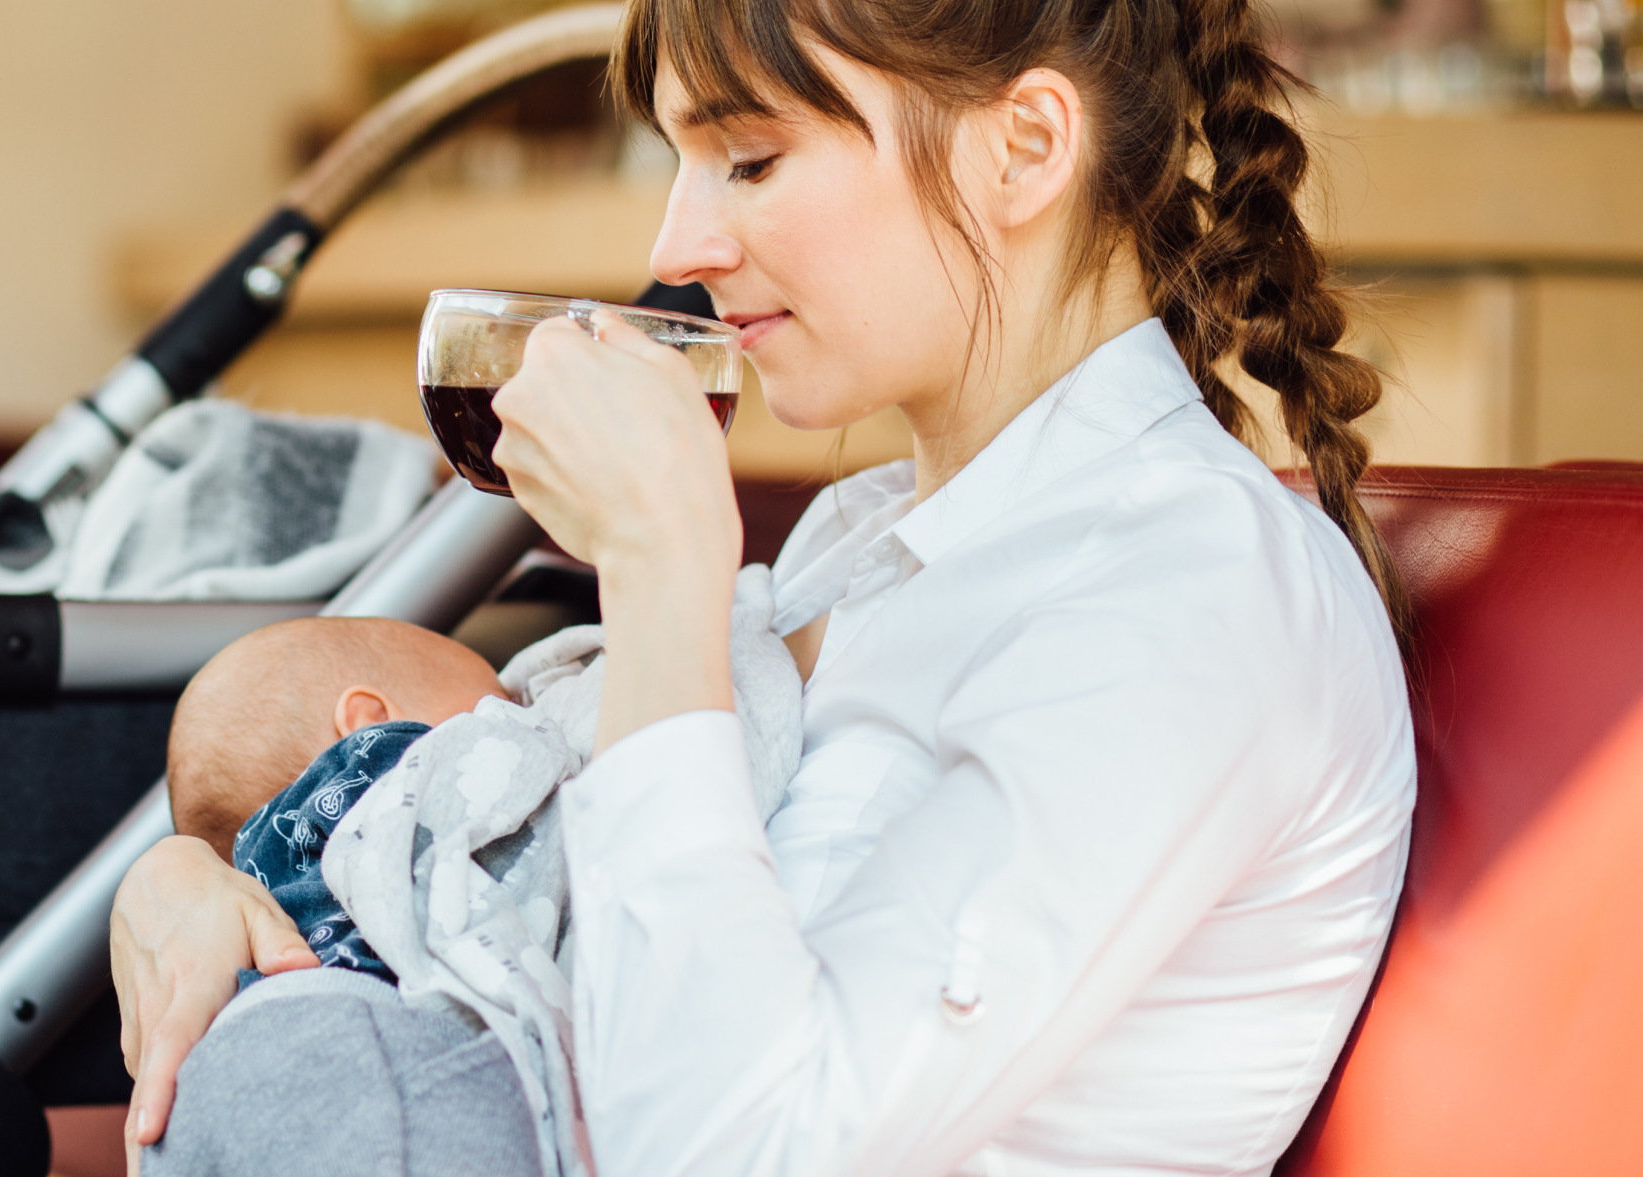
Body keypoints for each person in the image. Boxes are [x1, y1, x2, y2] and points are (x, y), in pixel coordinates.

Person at [112, 0, 1416, 1171]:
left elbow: (732, 1145)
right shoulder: (867, 543)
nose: (681, 243)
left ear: (1022, 146)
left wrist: (663, 575)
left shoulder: (1189, 591)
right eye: (676, 166)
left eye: (751, 159)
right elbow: (561, 924)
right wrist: (215, 882)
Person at [164, 615, 508, 976]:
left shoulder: (278, 949)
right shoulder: (405, 781)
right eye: (501, 701)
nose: (522, 713)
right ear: (372, 726)